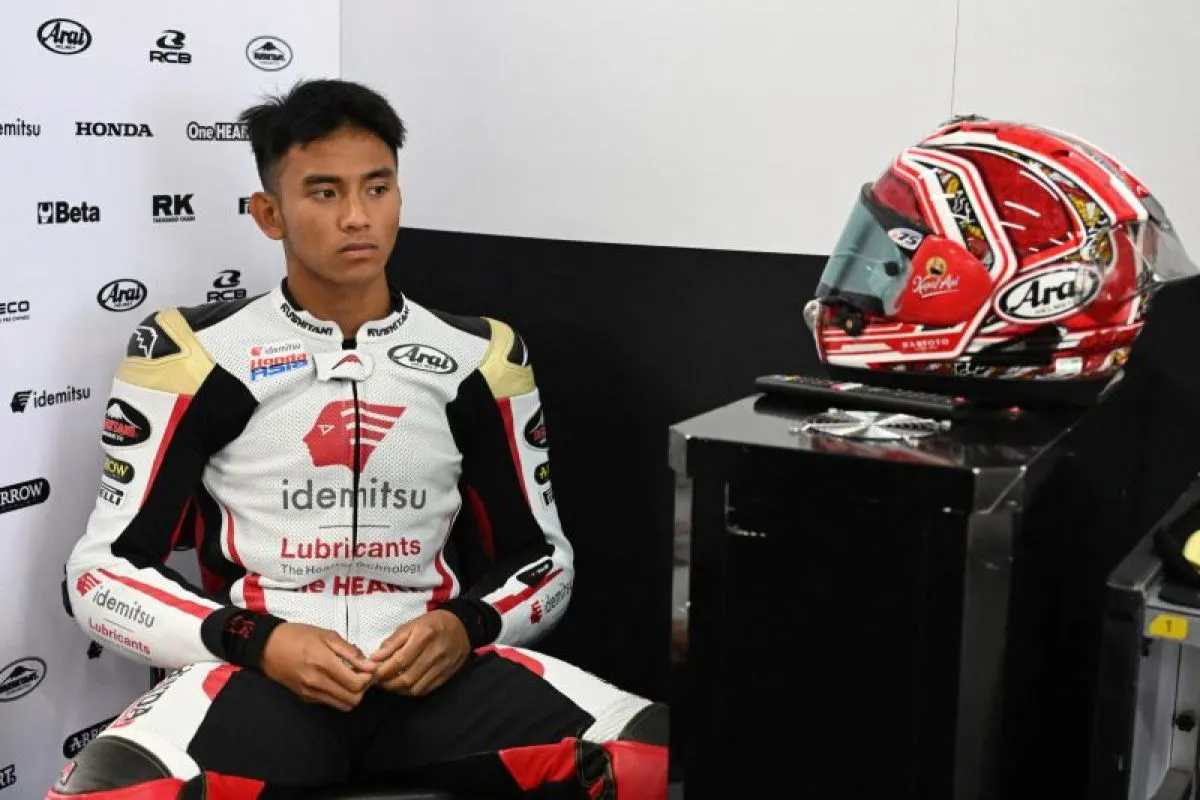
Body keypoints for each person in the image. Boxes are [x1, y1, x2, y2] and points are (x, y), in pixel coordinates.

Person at [48, 78, 667, 800]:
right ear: (269, 214)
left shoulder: (482, 356)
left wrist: (466, 625)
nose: (357, 217)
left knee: (656, 755)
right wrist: (259, 640)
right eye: (324, 193)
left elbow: (545, 560)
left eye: (377, 188)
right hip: (260, 679)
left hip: (435, 676)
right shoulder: (191, 352)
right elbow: (100, 574)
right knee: (105, 792)